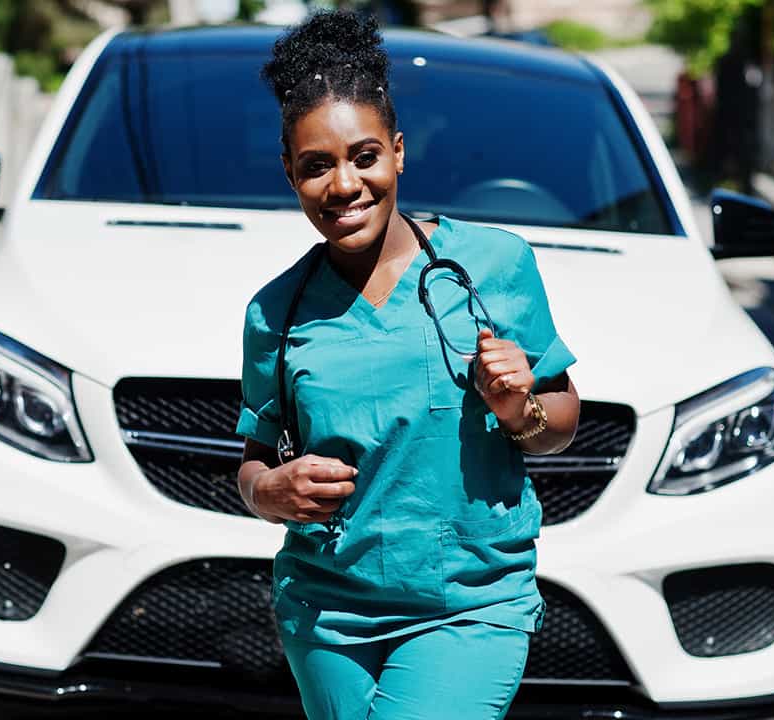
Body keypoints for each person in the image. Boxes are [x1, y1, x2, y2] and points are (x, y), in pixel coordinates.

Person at [235, 11, 581, 720]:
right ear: (289, 174)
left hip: (468, 606)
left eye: (363, 156)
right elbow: (254, 460)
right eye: (315, 166)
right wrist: (270, 491)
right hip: (326, 615)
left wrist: (521, 410)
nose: (343, 185)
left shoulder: (493, 266)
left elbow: (563, 421)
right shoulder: (275, 312)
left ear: (397, 152)